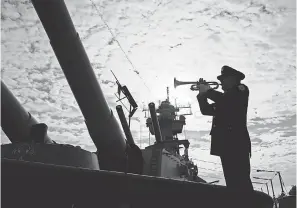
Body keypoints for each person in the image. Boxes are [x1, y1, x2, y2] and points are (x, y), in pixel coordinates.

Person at [196, 65, 253, 192]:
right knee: (232, 183)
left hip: (236, 142)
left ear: (233, 79)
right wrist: (202, 95)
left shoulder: (240, 90)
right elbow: (206, 110)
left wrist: (208, 91)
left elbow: (227, 100)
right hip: (225, 144)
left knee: (241, 182)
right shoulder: (224, 99)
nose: (220, 82)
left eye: (223, 79)